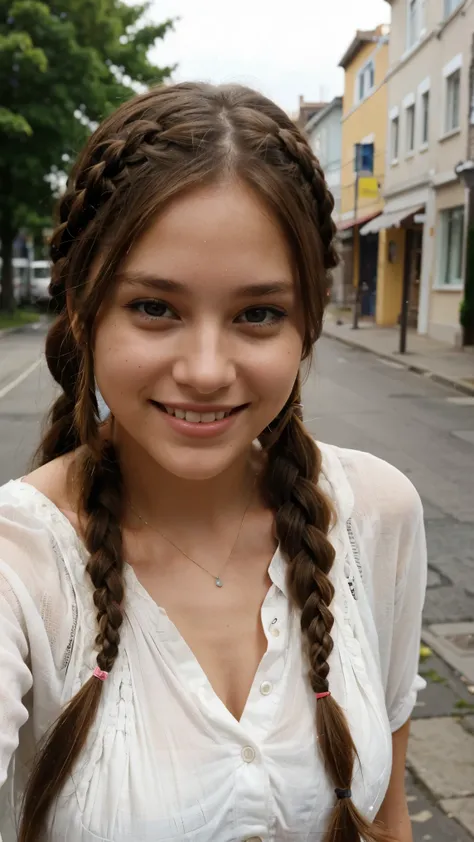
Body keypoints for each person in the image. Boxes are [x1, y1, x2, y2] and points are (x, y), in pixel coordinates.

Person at [0, 83, 427, 842]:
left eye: (257, 314)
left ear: (307, 327)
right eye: (155, 308)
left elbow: (388, 819)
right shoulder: (18, 563)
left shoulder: (375, 516)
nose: (205, 369)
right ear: (82, 311)